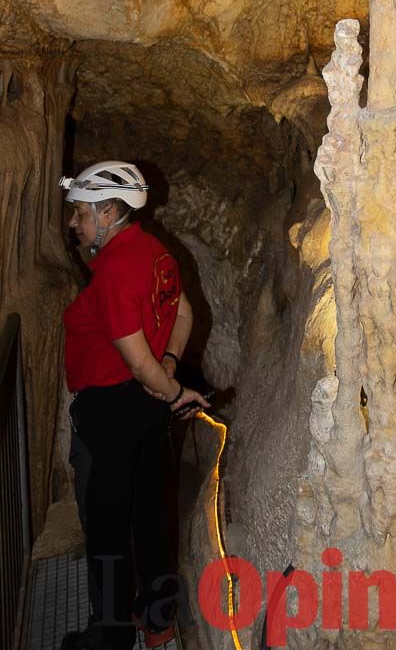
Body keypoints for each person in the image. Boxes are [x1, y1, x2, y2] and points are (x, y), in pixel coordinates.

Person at [59, 161, 209, 650]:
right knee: (150, 513)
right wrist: (170, 367)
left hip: (113, 411)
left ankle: (110, 635)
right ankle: (159, 617)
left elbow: (137, 362)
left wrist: (170, 388)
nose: (73, 223)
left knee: (106, 525)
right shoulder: (154, 252)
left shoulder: (116, 272)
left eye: (80, 213)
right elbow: (182, 312)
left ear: (108, 213)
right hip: (144, 409)